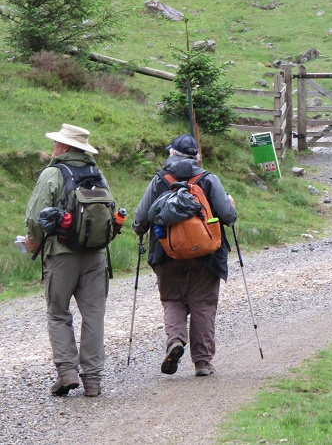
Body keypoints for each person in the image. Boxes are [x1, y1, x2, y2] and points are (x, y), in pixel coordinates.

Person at [133, 133, 236, 377]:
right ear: (196, 156)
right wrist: (231, 205)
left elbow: (140, 220)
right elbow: (228, 217)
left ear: (172, 154)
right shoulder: (208, 179)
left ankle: (175, 342)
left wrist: (140, 229)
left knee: (172, 300)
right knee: (203, 304)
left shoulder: (160, 180)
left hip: (168, 254)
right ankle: (202, 362)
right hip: (206, 255)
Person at [25, 124, 111, 398]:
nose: (53, 147)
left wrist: (32, 242)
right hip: (96, 255)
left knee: (58, 312)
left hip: (61, 255)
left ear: (64, 147)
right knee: (94, 315)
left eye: (56, 143)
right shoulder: (97, 174)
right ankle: (93, 380)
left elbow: (35, 217)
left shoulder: (52, 173)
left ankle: (67, 372)